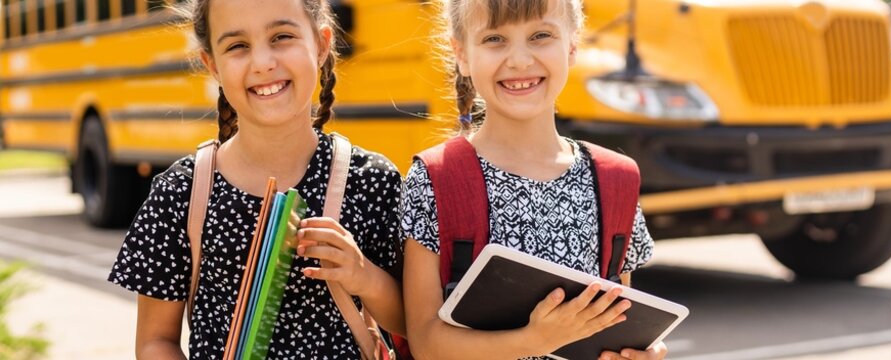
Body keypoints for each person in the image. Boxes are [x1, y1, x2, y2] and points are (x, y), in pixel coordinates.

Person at [107, 0, 404, 358]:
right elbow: (156, 342)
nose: (262, 62)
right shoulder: (180, 195)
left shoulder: (371, 181)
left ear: (322, 45)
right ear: (212, 65)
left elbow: (412, 324)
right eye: (237, 46)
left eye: (281, 36)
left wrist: (364, 276)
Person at [400, 0, 665, 359]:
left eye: (540, 35)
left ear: (572, 44)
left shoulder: (614, 180)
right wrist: (535, 340)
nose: (520, 60)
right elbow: (426, 343)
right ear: (461, 54)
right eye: (495, 39)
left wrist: (638, 353)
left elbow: (614, 322)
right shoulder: (436, 179)